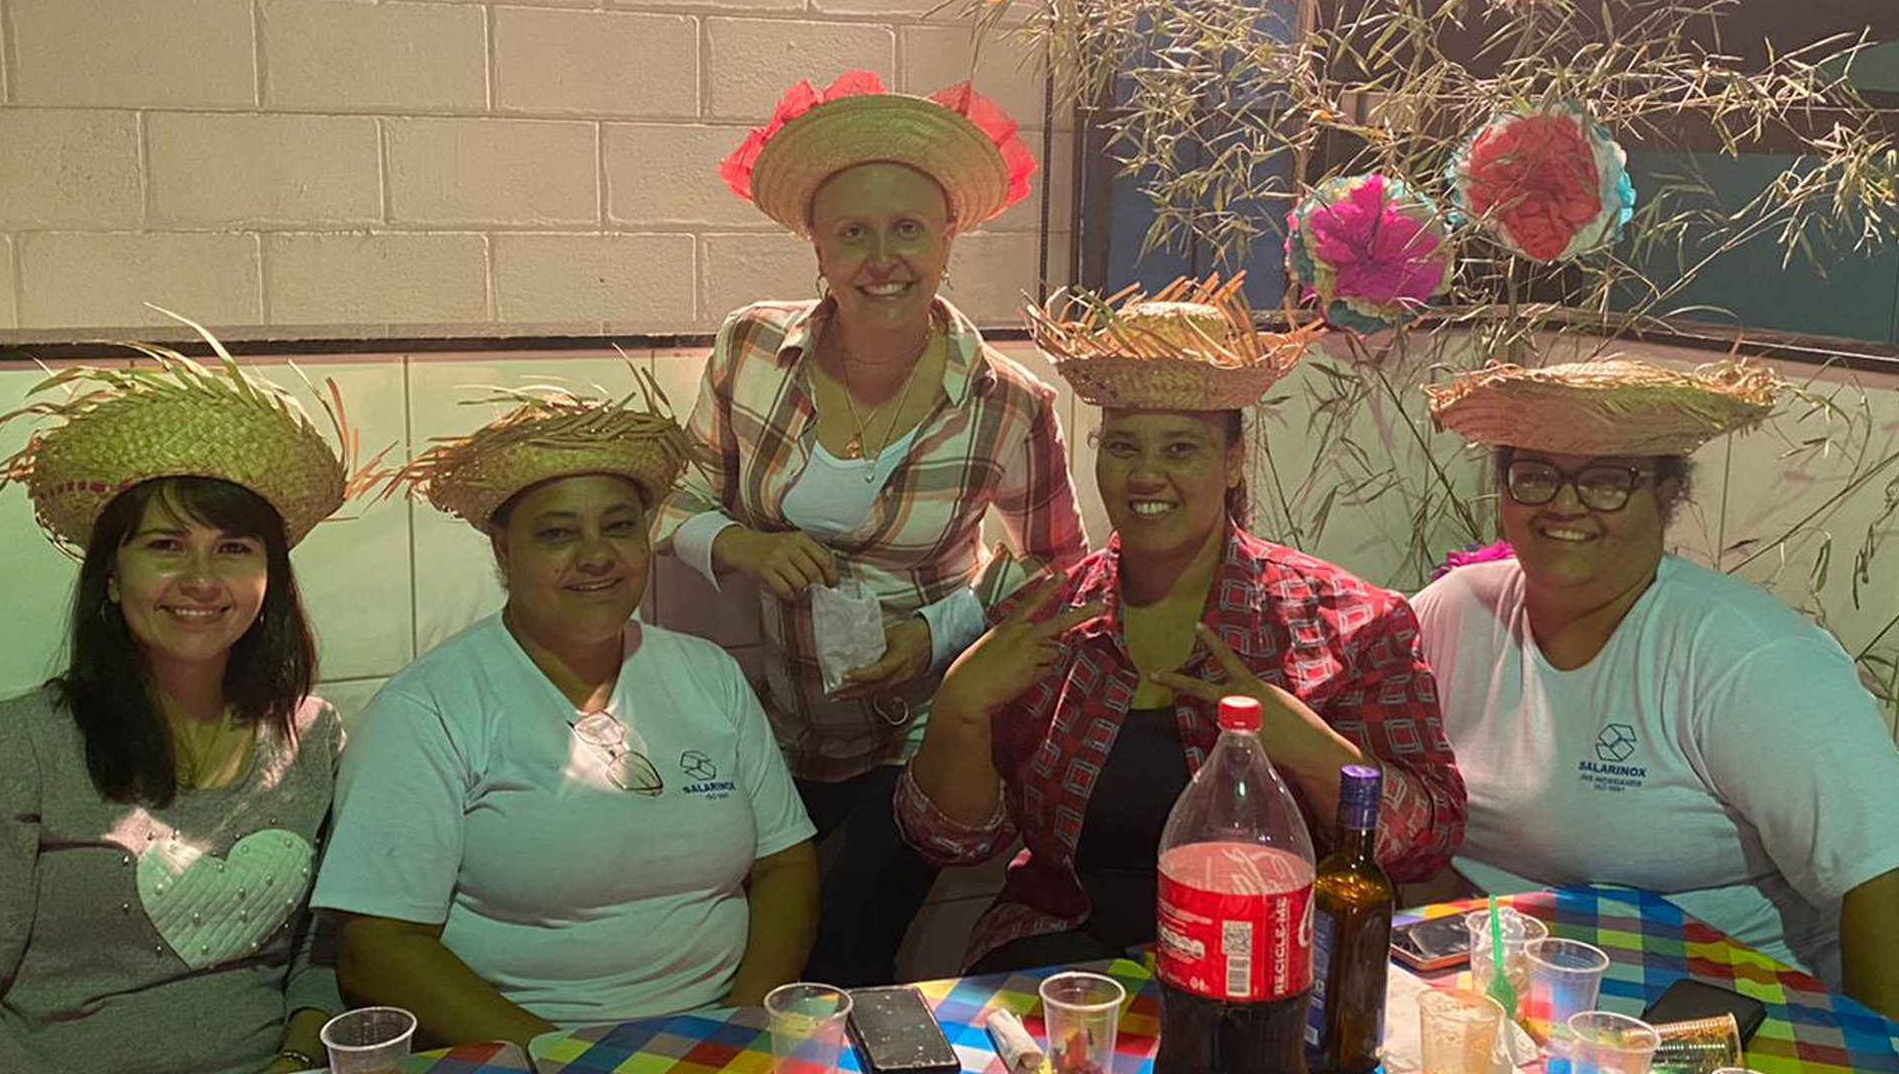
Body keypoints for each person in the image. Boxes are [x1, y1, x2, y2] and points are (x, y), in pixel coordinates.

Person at [895, 277, 1467, 972]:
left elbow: (1427, 839)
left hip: (1265, 964)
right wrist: (959, 707)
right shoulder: (1048, 620)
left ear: (1233, 461)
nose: (1146, 475)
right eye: (1123, 446)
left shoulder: (1348, 622)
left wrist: (1305, 745)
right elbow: (953, 843)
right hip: (1063, 960)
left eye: (1180, 449)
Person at [658, 69, 1087, 984]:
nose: (881, 258)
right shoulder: (751, 349)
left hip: (925, 731)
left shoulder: (1007, 402)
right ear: (817, 246)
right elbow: (675, 499)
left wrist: (937, 629)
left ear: (948, 237)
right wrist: (743, 545)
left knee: (844, 943)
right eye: (852, 232)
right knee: (768, 948)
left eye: (907, 229)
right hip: (785, 728)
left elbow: (1061, 572)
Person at [312, 383, 818, 1045]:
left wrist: (740, 1031)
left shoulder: (708, 675)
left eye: (620, 526)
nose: (596, 556)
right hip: (527, 1051)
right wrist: (566, 1059)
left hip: (717, 1035)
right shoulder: (429, 709)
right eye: (557, 534)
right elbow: (376, 947)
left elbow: (785, 864)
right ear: (503, 549)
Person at [1413, 358, 1899, 1019]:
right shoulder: (1454, 612)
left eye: (1606, 481)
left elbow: (1880, 874)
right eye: (1535, 474)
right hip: (1491, 998)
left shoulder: (1748, 657)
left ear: (1668, 492)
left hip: (1721, 1016)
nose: (1564, 504)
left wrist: (1875, 1048)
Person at [0, 318, 369, 1074]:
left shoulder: (315, 737)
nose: (201, 580)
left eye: (233, 549)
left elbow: (320, 956)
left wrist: (297, 1057)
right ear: (111, 575)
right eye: (166, 546)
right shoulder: (22, 743)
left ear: (270, 579)